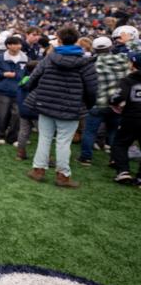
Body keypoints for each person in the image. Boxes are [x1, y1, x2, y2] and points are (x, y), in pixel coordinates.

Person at [26, 24, 97, 188]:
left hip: (46, 103)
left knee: (45, 138)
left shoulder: (50, 58)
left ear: (59, 40)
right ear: (76, 41)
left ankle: (38, 170)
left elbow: (34, 78)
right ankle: (62, 175)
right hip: (70, 107)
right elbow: (92, 89)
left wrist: (34, 92)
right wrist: (86, 104)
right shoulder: (85, 62)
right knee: (63, 142)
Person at [76, 36, 128, 166]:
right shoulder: (122, 59)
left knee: (90, 131)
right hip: (117, 102)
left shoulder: (92, 63)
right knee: (114, 132)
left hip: (98, 102)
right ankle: (114, 158)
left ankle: (86, 158)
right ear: (110, 47)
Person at [0, 35, 27, 145]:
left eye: (19, 43)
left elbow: (29, 73)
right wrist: (3, 74)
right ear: (9, 45)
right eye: (16, 44)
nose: (19, 46)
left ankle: (13, 137)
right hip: (3, 90)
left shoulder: (25, 58)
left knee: (17, 115)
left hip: (19, 91)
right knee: (1, 114)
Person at [109, 51, 141, 185]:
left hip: (131, 117)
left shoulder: (128, 80)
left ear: (133, 64)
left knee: (120, 143)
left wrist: (112, 102)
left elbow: (118, 97)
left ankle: (123, 171)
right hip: (133, 115)